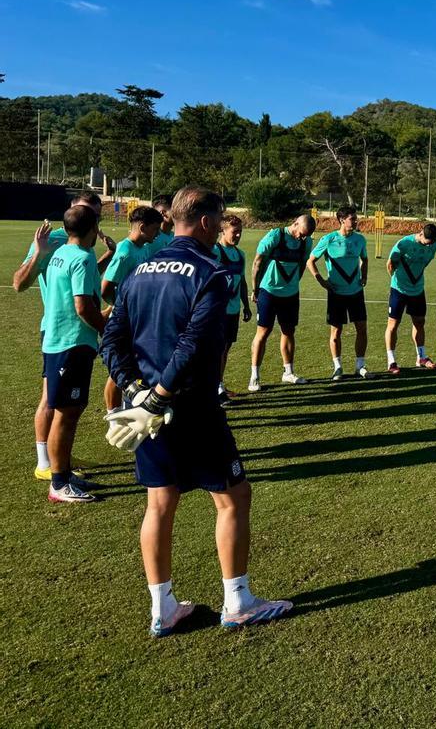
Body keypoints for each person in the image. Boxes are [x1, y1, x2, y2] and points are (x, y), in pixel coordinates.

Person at [101, 187, 292, 636]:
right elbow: (195, 343)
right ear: (206, 222)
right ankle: (238, 601)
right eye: (221, 218)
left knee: (159, 502)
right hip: (192, 408)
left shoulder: (141, 268)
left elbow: (111, 339)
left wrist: (136, 392)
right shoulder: (210, 270)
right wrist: (160, 396)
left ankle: (162, 608)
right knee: (232, 497)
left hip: (145, 408)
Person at [12, 190, 114, 482]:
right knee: (52, 400)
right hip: (60, 328)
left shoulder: (80, 247)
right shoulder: (54, 240)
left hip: (73, 328)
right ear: (72, 211)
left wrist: (108, 255)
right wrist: (39, 253)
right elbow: (19, 284)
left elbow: (81, 281)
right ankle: (46, 462)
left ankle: (59, 458)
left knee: (62, 404)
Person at [39, 205, 109, 502]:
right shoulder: (81, 258)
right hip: (72, 344)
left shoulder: (60, 254)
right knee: (66, 414)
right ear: (93, 227)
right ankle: (58, 483)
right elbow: (83, 306)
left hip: (58, 341)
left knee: (68, 411)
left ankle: (64, 475)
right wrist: (106, 323)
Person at [100, 206, 164, 410]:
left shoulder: (143, 247)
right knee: (119, 370)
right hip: (124, 318)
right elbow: (106, 287)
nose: (158, 233)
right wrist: (117, 306)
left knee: (134, 365)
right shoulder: (125, 251)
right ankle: (113, 414)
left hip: (138, 317)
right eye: (155, 229)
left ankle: (131, 407)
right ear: (143, 227)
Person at [248, 213, 315, 391]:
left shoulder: (307, 242)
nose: (303, 237)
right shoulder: (275, 236)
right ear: (295, 223)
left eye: (307, 235)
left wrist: (293, 285)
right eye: (301, 233)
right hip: (268, 291)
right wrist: (255, 289)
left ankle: (288, 372)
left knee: (289, 331)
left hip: (291, 295)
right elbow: (257, 262)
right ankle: (254, 376)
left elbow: (302, 265)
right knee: (263, 332)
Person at [308, 207, 370, 380]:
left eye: (356, 218)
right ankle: (338, 367)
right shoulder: (329, 239)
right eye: (353, 218)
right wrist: (321, 281)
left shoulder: (360, 240)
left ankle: (360, 366)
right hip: (336, 294)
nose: (356, 221)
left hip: (356, 292)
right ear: (342, 220)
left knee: (362, 329)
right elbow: (311, 261)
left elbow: (364, 259)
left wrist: (364, 275)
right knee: (336, 332)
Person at [384, 223, 436, 373]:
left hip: (417, 290)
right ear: (421, 234)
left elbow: (423, 264)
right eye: (428, 243)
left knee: (419, 322)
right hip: (399, 290)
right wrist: (396, 283)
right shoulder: (403, 244)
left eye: (432, 243)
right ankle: (391, 361)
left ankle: (421, 357)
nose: (429, 246)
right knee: (393, 324)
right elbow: (390, 264)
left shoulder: (433, 246)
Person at [212, 214, 252, 407]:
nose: (237, 236)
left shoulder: (240, 254)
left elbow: (242, 281)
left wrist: (246, 305)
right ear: (223, 230)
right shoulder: (216, 252)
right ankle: (215, 388)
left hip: (234, 309)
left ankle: (218, 384)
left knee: (225, 349)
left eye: (240, 232)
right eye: (234, 232)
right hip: (218, 311)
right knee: (217, 349)